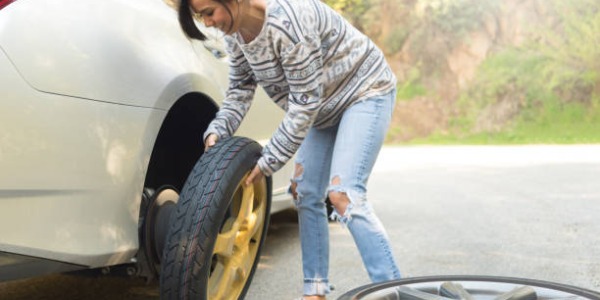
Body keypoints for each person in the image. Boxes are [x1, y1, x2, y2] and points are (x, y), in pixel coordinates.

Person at [175, 0, 401, 298]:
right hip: (323, 107)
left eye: (208, 12)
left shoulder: (290, 21)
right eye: (201, 16)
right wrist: (218, 129)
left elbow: (304, 103)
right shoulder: (236, 36)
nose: (208, 22)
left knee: (344, 194)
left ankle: (395, 290)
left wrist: (270, 160)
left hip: (364, 92)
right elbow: (241, 90)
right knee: (305, 191)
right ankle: (315, 290)